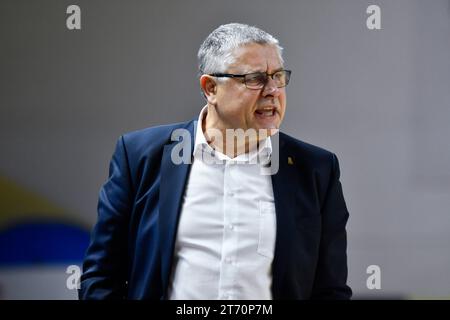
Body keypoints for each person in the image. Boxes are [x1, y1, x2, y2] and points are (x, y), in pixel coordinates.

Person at [79, 23, 352, 300]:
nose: (272, 90)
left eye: (278, 77)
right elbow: (101, 277)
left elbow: (330, 290)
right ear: (210, 88)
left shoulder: (316, 169)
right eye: (255, 78)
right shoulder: (140, 156)